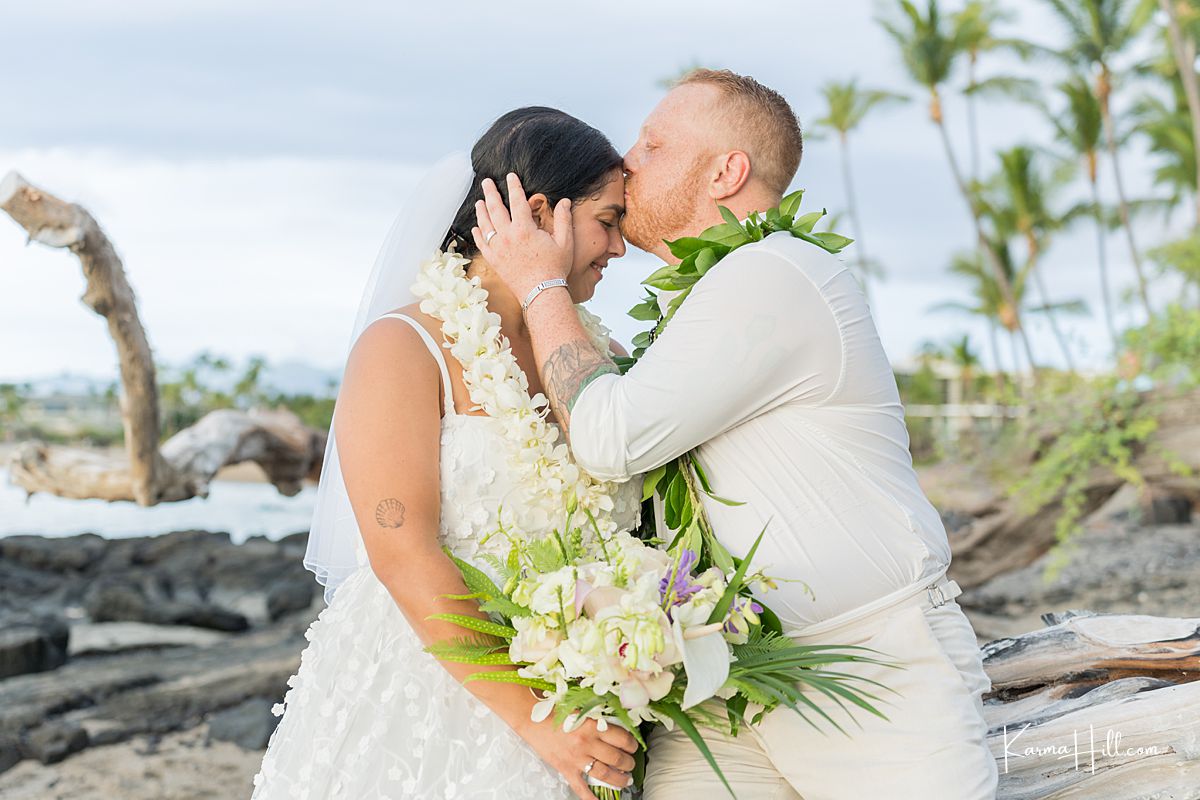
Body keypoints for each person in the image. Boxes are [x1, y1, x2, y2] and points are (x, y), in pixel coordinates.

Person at [472, 69, 1000, 799]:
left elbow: (609, 436)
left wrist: (539, 284)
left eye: (654, 144)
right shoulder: (708, 300)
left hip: (867, 671)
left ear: (726, 171)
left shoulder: (773, 274)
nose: (628, 161)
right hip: (726, 675)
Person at [251, 107, 641, 800]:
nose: (619, 248)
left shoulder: (600, 359)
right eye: (609, 221)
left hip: (593, 680)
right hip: (430, 690)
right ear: (542, 212)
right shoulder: (403, 346)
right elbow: (402, 551)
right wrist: (541, 723)